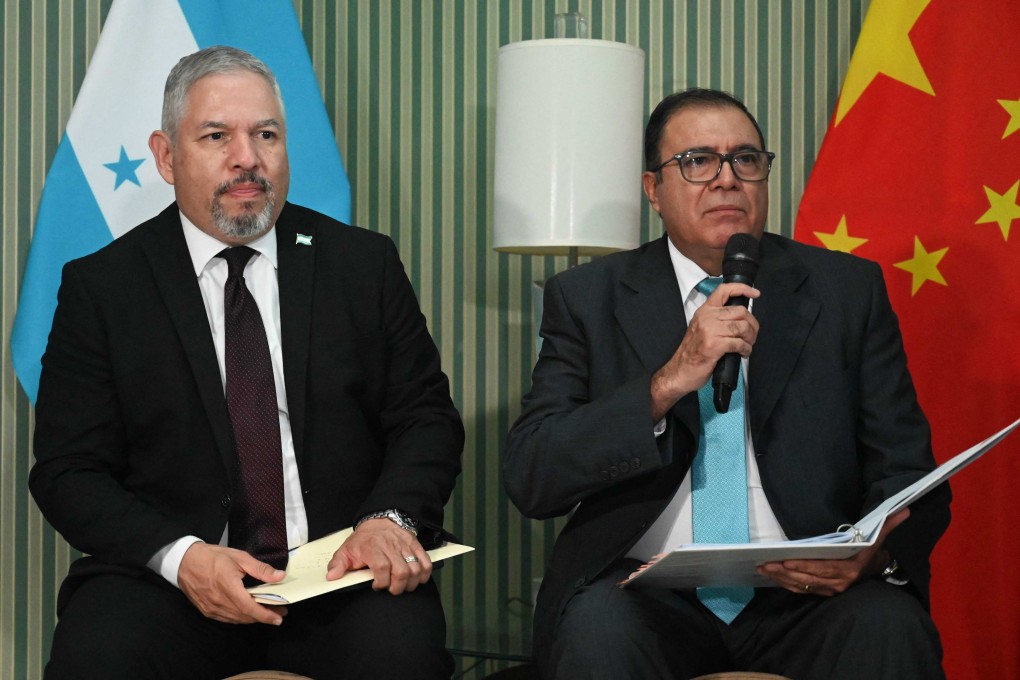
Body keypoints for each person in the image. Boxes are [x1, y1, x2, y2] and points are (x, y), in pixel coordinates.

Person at [29, 45, 463, 680]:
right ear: (165, 155)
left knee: (402, 658)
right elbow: (68, 470)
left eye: (266, 134)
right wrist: (182, 558)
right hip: (173, 583)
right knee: (96, 659)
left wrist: (387, 519)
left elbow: (426, 418)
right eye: (216, 136)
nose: (247, 159)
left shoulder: (360, 264)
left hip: (341, 570)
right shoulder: (104, 287)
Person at [503, 88, 951, 680]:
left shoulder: (846, 290)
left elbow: (909, 472)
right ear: (652, 190)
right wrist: (665, 383)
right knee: (596, 633)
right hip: (643, 591)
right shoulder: (587, 297)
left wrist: (874, 556)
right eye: (696, 161)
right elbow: (534, 476)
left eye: (746, 160)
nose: (726, 179)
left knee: (891, 627)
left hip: (808, 595)